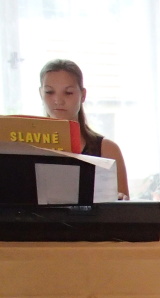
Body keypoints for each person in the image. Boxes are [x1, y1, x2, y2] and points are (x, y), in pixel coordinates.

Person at [39, 59, 129, 198]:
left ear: (83, 95)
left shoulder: (107, 149)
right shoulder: (25, 147)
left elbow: (124, 205)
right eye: (49, 92)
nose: (58, 100)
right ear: (41, 93)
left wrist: (119, 199)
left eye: (68, 92)